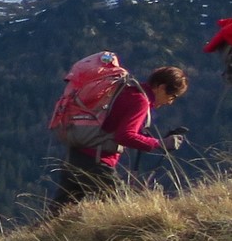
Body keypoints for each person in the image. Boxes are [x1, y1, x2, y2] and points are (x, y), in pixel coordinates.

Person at [50, 66, 189, 213]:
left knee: (57, 212)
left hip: (76, 155)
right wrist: (159, 144)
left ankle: (41, 234)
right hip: (97, 161)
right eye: (172, 96)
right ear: (161, 87)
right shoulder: (140, 101)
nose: (170, 102)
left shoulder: (128, 90)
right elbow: (124, 135)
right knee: (122, 209)